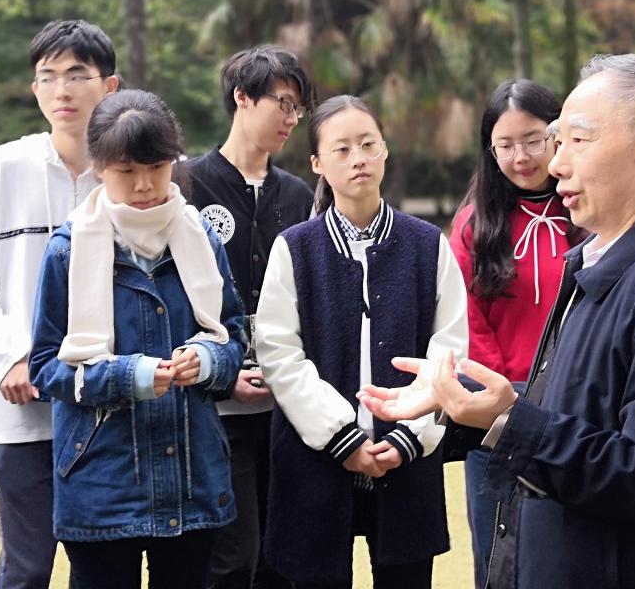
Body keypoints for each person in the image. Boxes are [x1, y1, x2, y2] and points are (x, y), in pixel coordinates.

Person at [360, 54, 635, 589]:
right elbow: (580, 406)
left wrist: (513, 422)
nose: (557, 164)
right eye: (558, 142)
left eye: (577, 141)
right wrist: (472, 400)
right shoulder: (602, 261)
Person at [28, 90, 246, 589]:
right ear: (99, 167)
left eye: (157, 167)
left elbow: (234, 340)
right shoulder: (67, 251)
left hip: (193, 478)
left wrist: (208, 360)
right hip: (102, 483)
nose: (145, 185)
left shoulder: (202, 238)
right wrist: (129, 375)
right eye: (127, 171)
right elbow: (44, 368)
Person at [253, 95, 468, 589]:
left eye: (369, 145)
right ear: (317, 163)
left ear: (385, 150)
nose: (358, 159)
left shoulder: (426, 244)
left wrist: (411, 435)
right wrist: (340, 437)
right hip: (314, 458)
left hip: (407, 458)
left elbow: (449, 349)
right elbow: (280, 353)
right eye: (343, 149)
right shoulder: (296, 248)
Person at [0, 20, 119, 589]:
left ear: (110, 86)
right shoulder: (3, 168)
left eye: (77, 74)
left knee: (102, 569)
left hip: (109, 411)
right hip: (21, 412)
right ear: (34, 88)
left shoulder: (131, 172)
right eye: (48, 76)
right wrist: (12, 356)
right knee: (26, 567)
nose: (62, 90)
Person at [182, 46, 315, 589]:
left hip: (286, 407)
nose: (291, 118)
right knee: (230, 557)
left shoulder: (299, 195)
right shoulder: (188, 185)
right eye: (282, 103)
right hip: (215, 408)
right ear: (242, 97)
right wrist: (221, 373)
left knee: (282, 557)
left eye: (297, 109)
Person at [448, 79, 583, 586]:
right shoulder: (474, 224)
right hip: (495, 416)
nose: (520, 157)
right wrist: (510, 401)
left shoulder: (589, 214)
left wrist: (558, 396)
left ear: (559, 136)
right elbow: (467, 318)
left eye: (533, 140)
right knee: (496, 559)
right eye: (504, 145)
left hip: (575, 414)